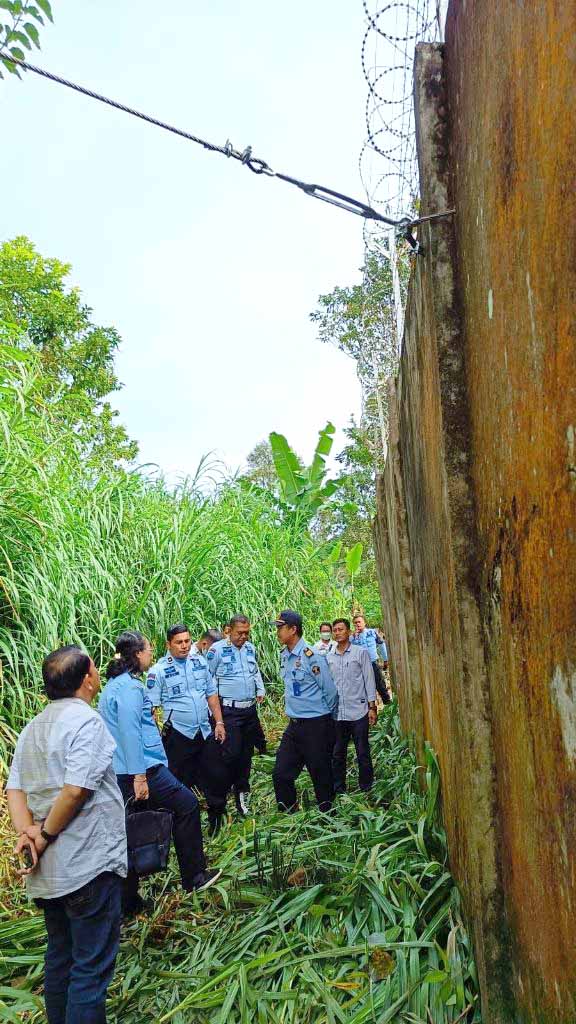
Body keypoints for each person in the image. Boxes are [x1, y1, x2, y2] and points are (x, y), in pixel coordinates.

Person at [6, 645, 126, 1024]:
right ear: (88, 678)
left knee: (61, 959)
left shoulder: (32, 728)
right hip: (85, 865)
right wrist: (41, 834)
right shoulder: (87, 723)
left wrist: (25, 831)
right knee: (89, 971)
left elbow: (14, 789)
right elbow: (76, 790)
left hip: (49, 876)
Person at [99, 630, 221, 916]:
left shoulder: (114, 685)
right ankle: (194, 877)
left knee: (127, 830)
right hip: (143, 769)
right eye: (148, 649)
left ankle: (129, 901)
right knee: (187, 805)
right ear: (137, 655)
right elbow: (130, 733)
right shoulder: (130, 689)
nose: (151, 654)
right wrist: (140, 776)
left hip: (125, 770)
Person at [146, 623, 229, 835]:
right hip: (178, 735)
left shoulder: (199, 662)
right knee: (175, 782)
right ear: (168, 644)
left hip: (204, 731)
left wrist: (219, 722)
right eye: (179, 642)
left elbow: (211, 694)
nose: (184, 646)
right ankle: (173, 829)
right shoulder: (159, 671)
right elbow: (152, 710)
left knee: (215, 776)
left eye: (187, 641)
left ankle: (216, 822)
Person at [272, 609, 338, 813]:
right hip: (294, 726)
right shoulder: (286, 655)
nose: (277, 632)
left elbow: (331, 692)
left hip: (316, 725)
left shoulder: (312, 656)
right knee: (281, 774)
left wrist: (328, 724)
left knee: (321, 775)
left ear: (293, 630)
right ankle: (289, 814)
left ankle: (328, 817)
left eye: (280, 628)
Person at [206, 615, 266, 816]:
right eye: (239, 632)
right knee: (229, 755)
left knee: (245, 755)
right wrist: (214, 717)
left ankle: (241, 794)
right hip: (229, 711)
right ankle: (219, 799)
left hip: (249, 710)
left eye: (247, 632)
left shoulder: (250, 648)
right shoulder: (217, 651)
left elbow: (254, 670)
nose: (244, 636)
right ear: (227, 631)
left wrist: (260, 689)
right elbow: (209, 681)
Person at [327, 619, 377, 795]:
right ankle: (339, 789)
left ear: (348, 632)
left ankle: (366, 787)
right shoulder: (329, 656)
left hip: (359, 711)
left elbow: (369, 679)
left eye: (341, 629)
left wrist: (372, 707)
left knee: (362, 751)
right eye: (335, 630)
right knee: (338, 753)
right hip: (337, 714)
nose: (337, 632)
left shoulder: (360, 653)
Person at [351, 613, 391, 704]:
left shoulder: (372, 632)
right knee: (363, 689)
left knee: (380, 685)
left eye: (359, 622)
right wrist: (353, 637)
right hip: (359, 666)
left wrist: (385, 660)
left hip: (373, 663)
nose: (357, 624)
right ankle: (370, 711)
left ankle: (388, 704)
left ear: (364, 622)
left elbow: (381, 645)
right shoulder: (352, 637)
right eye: (355, 623)